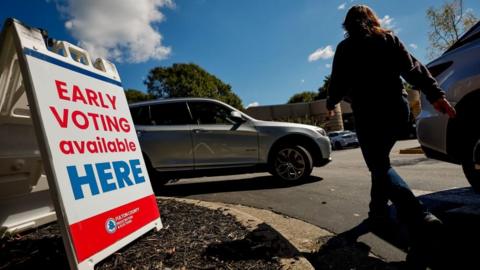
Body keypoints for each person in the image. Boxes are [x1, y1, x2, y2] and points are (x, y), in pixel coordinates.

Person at [326, 5, 456, 239]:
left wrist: (330, 103)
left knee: (379, 166)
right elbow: (413, 69)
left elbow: (337, 83)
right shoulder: (388, 39)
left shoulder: (345, 48)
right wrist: (436, 95)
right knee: (380, 163)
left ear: (347, 25)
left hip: (368, 114)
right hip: (397, 110)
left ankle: (419, 215)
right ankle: (377, 213)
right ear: (372, 19)